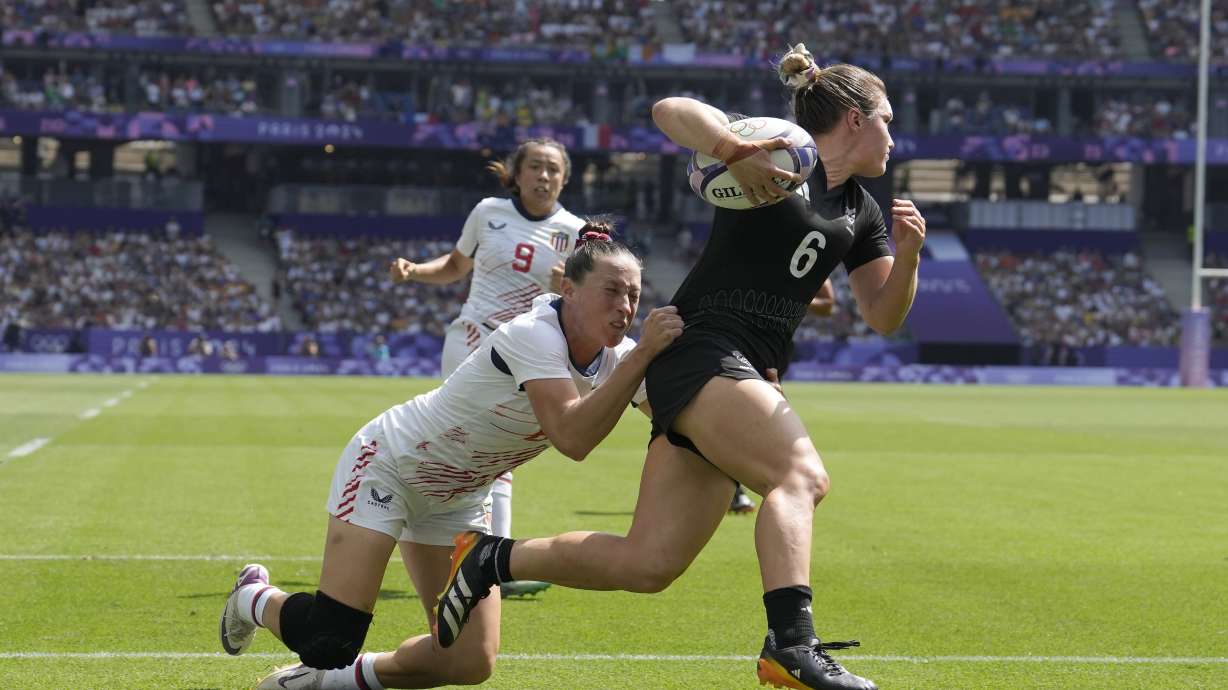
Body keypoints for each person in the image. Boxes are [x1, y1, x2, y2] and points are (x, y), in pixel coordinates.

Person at [435, 44, 926, 690]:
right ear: (856, 120)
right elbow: (670, 110)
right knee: (800, 475)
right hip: (701, 352)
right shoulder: (776, 150)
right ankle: (792, 645)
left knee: (648, 564)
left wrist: (909, 257)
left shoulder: (863, 210)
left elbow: (883, 313)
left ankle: (489, 559)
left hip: (740, 371)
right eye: (887, 119)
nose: (894, 136)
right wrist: (731, 149)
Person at [219, 232, 683, 690]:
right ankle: (253, 597)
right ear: (569, 289)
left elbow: (678, 421)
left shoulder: (620, 357)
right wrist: (644, 355)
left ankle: (330, 681)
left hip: (459, 498)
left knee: (468, 660)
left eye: (634, 295)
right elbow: (572, 437)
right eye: (612, 291)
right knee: (330, 638)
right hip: (391, 466)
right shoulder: (535, 335)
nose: (625, 307)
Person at [388, 138, 585, 598]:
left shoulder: (576, 232)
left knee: (498, 454)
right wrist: (416, 271)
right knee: (478, 447)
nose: (543, 176)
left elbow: (584, 303)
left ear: (564, 179)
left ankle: (473, 553)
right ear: (517, 174)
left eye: (553, 169)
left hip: (530, 353)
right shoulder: (488, 212)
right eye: (535, 167)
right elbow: (457, 265)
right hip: (475, 340)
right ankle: (492, 561)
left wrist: (568, 289)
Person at [729, 277, 835, 515]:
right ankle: (736, 489)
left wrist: (794, 297)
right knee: (740, 415)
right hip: (735, 338)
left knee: (756, 417)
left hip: (774, 345)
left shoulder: (812, 261)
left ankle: (763, 485)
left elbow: (828, 304)